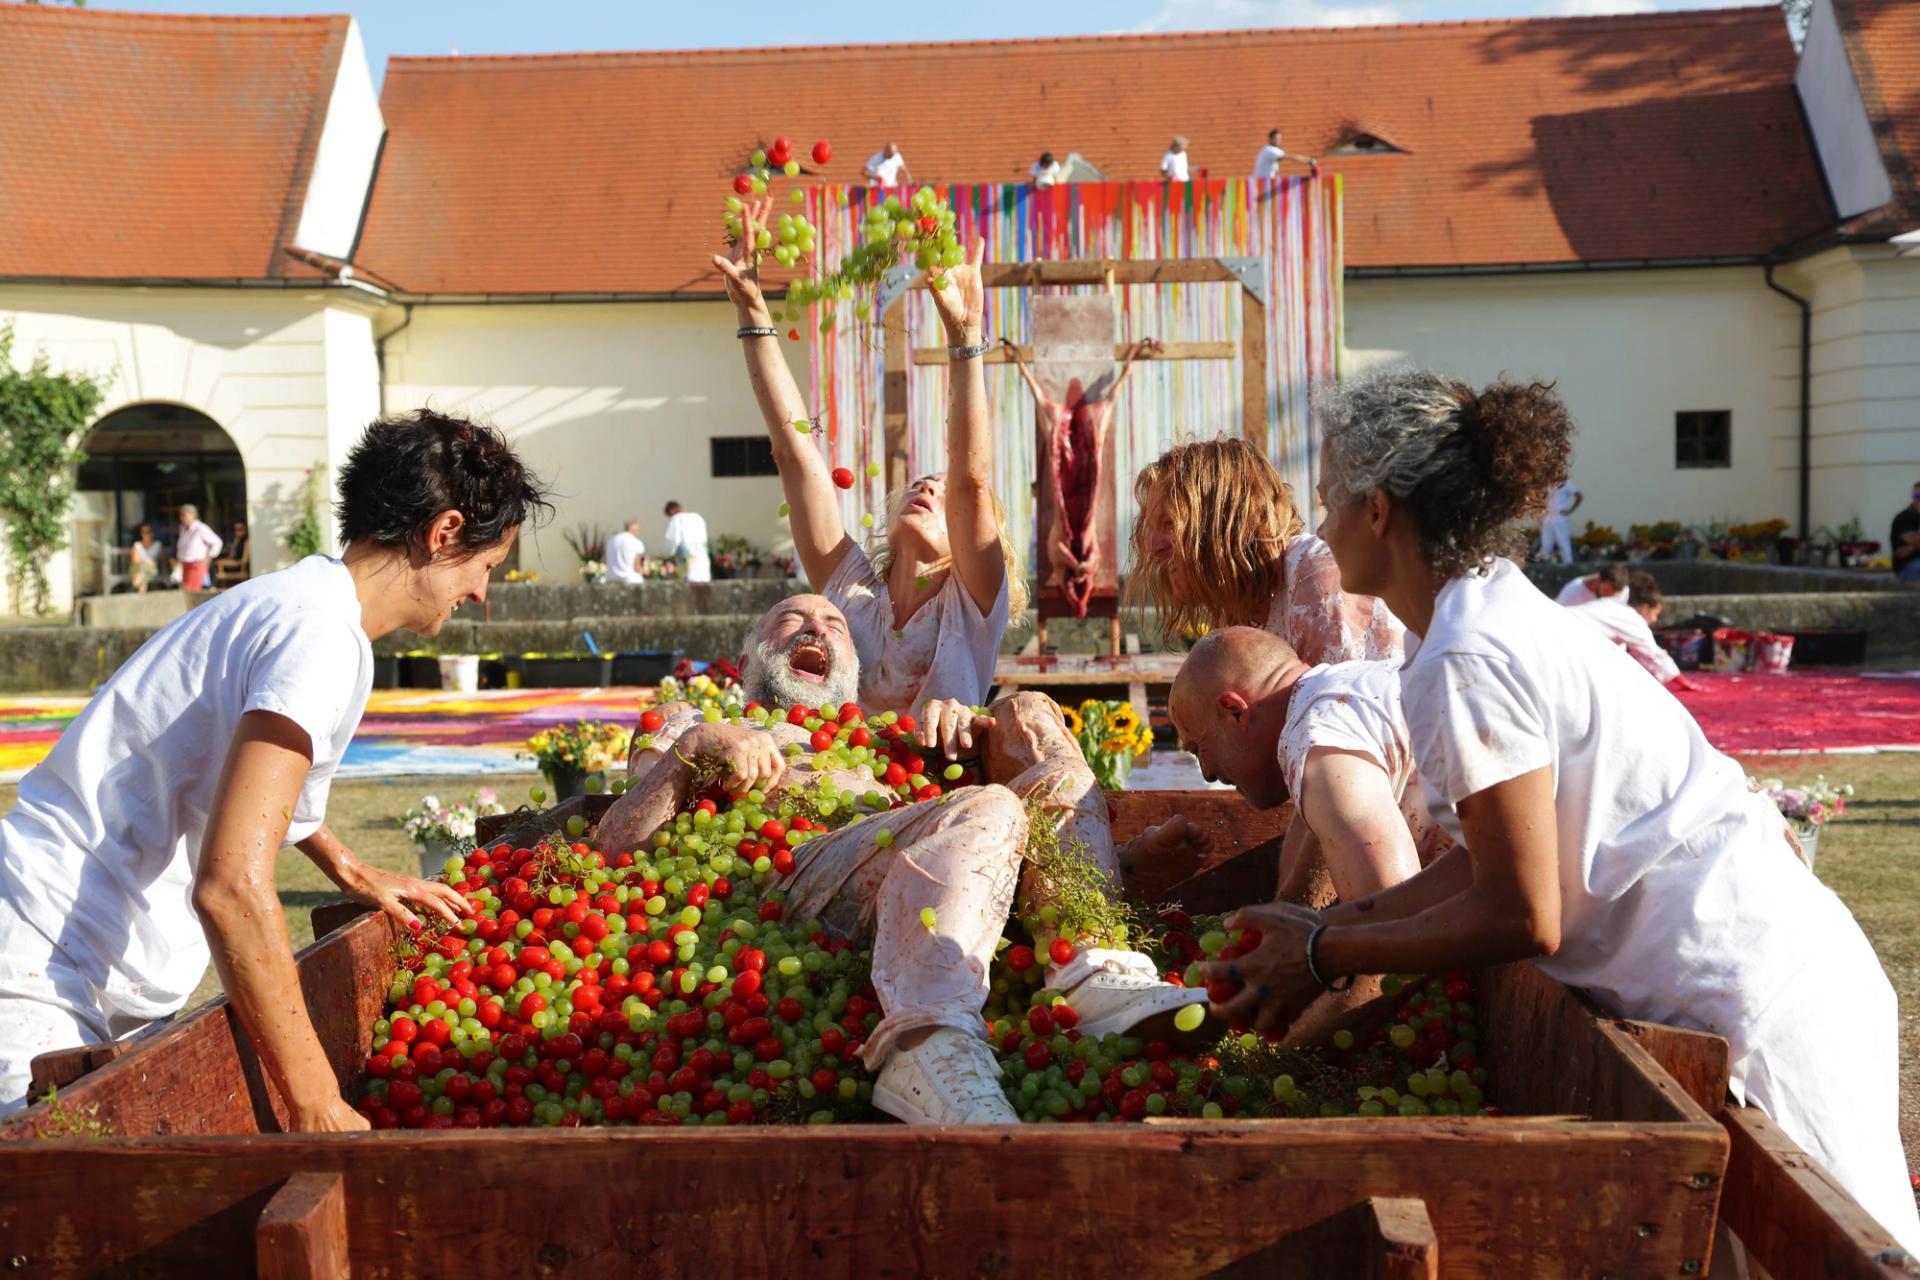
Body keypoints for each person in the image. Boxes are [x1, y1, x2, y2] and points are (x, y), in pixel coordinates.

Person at [1210, 365, 1919, 1252]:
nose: (1320, 530)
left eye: (1328, 503)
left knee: (1847, 1258)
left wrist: (1325, 950)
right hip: (1756, 981)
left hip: (1761, 999)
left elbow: (1522, 913)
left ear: (1379, 509)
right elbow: (1494, 858)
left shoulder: (1466, 654)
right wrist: (1337, 924)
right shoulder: (1476, 615)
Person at [0, 409, 550, 1130]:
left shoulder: (307, 604)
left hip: (73, 946)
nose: (480, 593)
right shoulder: (320, 637)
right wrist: (317, 1102)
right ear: (444, 532)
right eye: (486, 567)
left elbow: (264, 788)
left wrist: (350, 868)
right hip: (41, 953)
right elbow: (231, 885)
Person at [594, 594, 1209, 1124]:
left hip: (921, 904)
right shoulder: (694, 723)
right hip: (776, 894)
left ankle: (1093, 965)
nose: (816, 628)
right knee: (989, 805)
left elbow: (977, 865)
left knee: (1026, 712)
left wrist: (969, 733)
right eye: (790, 620)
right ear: (748, 656)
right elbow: (615, 850)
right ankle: (924, 1042)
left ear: (855, 669)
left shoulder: (890, 742)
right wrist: (698, 747)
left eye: (835, 625)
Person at [712, 197, 1028, 716]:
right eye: (921, 483)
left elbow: (970, 479)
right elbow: (794, 453)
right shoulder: (850, 592)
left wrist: (965, 337)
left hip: (939, 772)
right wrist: (752, 308)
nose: (929, 488)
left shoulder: (972, 604)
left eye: (943, 494)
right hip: (837, 768)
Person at [1168, 633, 1452, 1045]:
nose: (1208, 773)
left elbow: (1401, 943)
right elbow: (1306, 892)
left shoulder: (1321, 746)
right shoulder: (1335, 695)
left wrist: (1271, 1061)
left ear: (1235, 711)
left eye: (1198, 748)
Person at [1129, 436, 1404, 666]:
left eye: (1170, 524)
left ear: (1222, 523)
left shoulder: (1314, 579)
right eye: (1152, 527)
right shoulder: (1243, 606)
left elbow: (1341, 712)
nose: (1153, 547)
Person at [1005, 336, 1160, 617]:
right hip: (1083, 465)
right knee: (1107, 402)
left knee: (1047, 402)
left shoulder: (1058, 556)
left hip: (1065, 463)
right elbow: (1087, 572)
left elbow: (1062, 557)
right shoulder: (1091, 554)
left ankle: (1021, 365)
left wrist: (1076, 576)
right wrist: (1083, 577)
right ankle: (1130, 362)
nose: (1079, 577)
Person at [1569, 569, 1697, 690]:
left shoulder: (1610, 606)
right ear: (1645, 608)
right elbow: (1655, 655)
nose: (1654, 620)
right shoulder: (1630, 617)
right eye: (1655, 614)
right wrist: (1686, 683)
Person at [662, 500, 710, 596]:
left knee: (689, 580)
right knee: (703, 582)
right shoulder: (698, 517)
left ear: (672, 511)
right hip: (701, 555)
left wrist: (672, 553)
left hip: (686, 555)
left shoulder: (676, 518)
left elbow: (673, 539)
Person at [173, 503, 222, 592]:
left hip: (196, 565)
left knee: (192, 590)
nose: (181, 518)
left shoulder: (201, 528)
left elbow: (217, 543)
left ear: (193, 515)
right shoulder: (182, 528)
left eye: (184, 515)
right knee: (186, 591)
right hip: (185, 565)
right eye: (181, 515)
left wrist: (208, 559)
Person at [1536, 479, 1582, 564]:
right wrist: (1540, 517)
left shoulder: (1566, 483)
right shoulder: (1546, 482)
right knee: (1546, 543)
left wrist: (1570, 510)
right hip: (1547, 516)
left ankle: (1568, 564)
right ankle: (1543, 563)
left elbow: (1579, 496)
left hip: (1560, 517)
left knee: (1563, 542)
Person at [1553, 560, 1626, 607]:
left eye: (1613, 596)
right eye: (1606, 592)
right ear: (1598, 579)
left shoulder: (1623, 591)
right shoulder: (1571, 594)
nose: (1607, 600)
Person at [1890, 481, 1920, 581]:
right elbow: (1914, 539)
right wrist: (1913, 546)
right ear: (1913, 497)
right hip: (1907, 567)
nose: (1919, 499)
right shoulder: (1903, 518)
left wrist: (1911, 548)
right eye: (1917, 496)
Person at [603, 518, 646, 585]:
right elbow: (637, 567)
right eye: (638, 530)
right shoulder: (635, 542)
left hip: (611, 578)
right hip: (630, 579)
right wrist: (644, 571)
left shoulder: (611, 540)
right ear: (634, 529)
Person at [214, 520, 251, 586]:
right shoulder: (237, 540)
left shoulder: (247, 541)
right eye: (235, 530)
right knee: (213, 565)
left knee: (214, 567)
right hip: (232, 564)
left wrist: (223, 562)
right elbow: (231, 556)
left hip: (238, 567)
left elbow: (243, 561)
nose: (237, 532)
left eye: (240, 529)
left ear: (246, 530)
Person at [128, 523, 162, 594]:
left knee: (142, 572)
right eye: (143, 532)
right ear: (141, 533)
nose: (146, 534)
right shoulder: (137, 545)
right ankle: (136, 586)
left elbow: (161, 561)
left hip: (151, 570)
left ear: (153, 533)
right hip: (137, 569)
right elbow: (135, 560)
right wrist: (147, 561)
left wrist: (153, 563)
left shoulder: (158, 545)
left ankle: (133, 586)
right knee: (142, 573)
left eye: (148, 532)